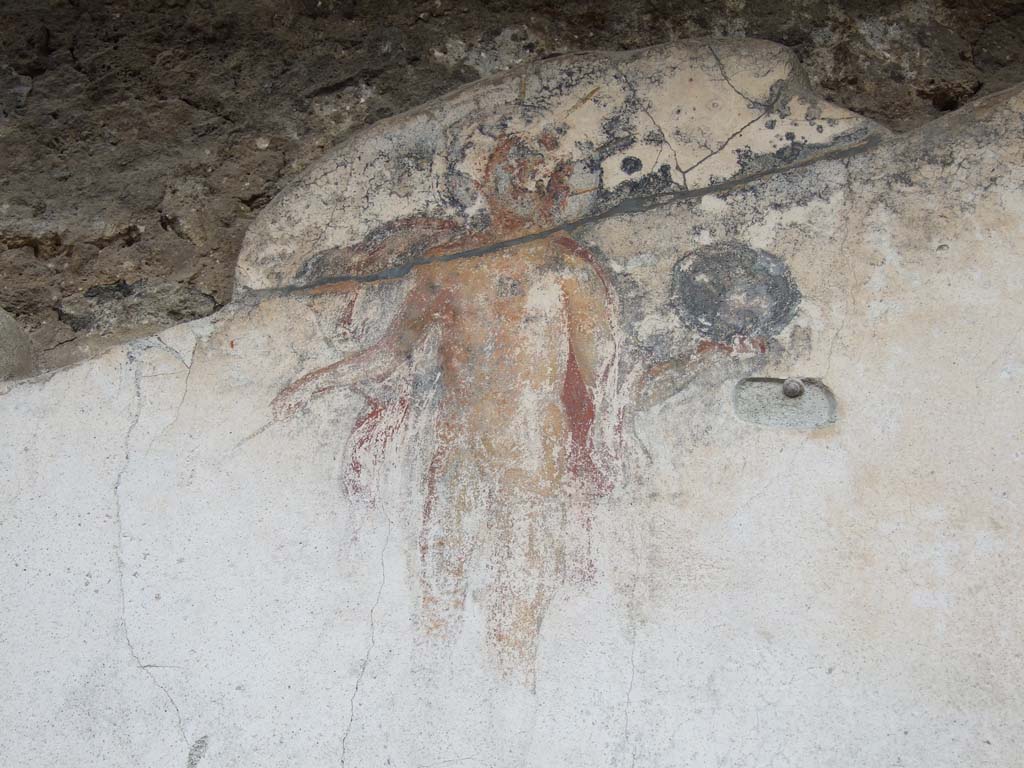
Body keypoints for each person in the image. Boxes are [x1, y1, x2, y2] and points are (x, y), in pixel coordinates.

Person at [272, 129, 623, 684]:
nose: (529, 185)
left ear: (560, 192)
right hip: (455, 439)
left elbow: (606, 377)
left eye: (544, 177)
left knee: (518, 598)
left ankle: (512, 715)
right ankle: (428, 699)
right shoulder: (447, 265)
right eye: (517, 170)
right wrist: (314, 382)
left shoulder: (567, 272)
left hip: (530, 443)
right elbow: (391, 352)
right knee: (440, 581)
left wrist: (614, 446)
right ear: (487, 180)